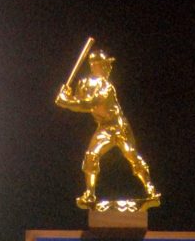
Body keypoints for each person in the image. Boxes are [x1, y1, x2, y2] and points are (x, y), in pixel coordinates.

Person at [55, 49, 161, 210]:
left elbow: (89, 104)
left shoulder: (107, 87)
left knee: (131, 155)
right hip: (104, 127)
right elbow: (79, 101)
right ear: (94, 66)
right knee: (91, 156)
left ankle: (150, 189)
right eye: (104, 65)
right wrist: (67, 97)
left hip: (118, 126)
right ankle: (90, 194)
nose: (108, 68)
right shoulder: (84, 83)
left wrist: (66, 102)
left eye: (108, 65)